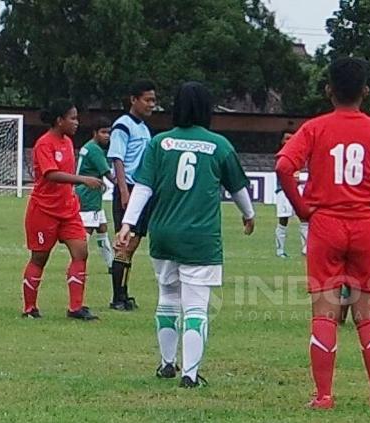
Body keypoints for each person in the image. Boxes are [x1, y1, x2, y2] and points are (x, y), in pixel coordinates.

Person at [275, 57, 370, 410]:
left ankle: (324, 397)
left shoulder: (315, 128)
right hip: (365, 226)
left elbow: (284, 165)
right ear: (366, 92)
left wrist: (300, 207)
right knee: (368, 315)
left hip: (326, 225)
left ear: (328, 90)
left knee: (324, 314)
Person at [115, 81, 255, 388]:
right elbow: (238, 189)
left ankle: (167, 364)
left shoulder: (159, 143)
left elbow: (144, 187)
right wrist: (249, 215)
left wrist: (127, 224)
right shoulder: (219, 145)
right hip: (200, 239)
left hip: (163, 233)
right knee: (196, 305)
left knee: (167, 296)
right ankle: (190, 374)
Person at [21, 99, 104, 320]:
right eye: (73, 118)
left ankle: (75, 308)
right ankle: (30, 309)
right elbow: (50, 174)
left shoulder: (67, 142)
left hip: (68, 210)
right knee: (39, 258)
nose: (77, 122)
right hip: (44, 210)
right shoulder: (44, 144)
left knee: (81, 252)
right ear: (59, 120)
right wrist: (83, 179)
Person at [107, 80, 156, 311]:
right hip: (129, 189)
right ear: (133, 100)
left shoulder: (144, 128)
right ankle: (117, 297)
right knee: (124, 243)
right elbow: (117, 158)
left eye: (154, 100)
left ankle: (124, 294)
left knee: (133, 243)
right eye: (147, 100)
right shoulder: (123, 125)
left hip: (142, 191)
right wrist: (125, 192)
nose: (152, 104)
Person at [76, 116, 115, 273]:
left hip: (91, 192)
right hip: (88, 193)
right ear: (95, 133)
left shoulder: (89, 146)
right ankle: (77, 262)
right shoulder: (95, 150)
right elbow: (108, 174)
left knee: (102, 227)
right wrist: (124, 186)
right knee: (87, 230)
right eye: (103, 132)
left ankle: (112, 265)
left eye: (109, 132)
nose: (107, 136)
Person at [274, 132, 308, 257]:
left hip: (297, 189)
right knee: (283, 220)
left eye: (292, 138)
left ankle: (306, 249)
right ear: (282, 141)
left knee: (304, 218)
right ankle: (280, 251)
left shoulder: (297, 153)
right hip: (283, 191)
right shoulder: (281, 155)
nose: (289, 140)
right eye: (287, 138)